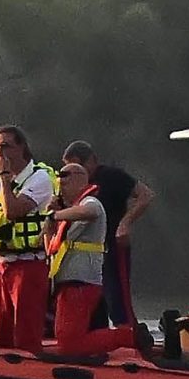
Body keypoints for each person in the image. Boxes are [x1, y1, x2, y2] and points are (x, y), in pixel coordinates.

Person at [60, 140, 154, 327]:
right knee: (94, 303)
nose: (73, 171)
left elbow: (146, 195)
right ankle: (99, 340)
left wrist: (125, 223)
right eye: (68, 167)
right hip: (88, 256)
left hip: (112, 247)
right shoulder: (75, 184)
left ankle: (130, 337)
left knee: (117, 300)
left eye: (78, 165)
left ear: (92, 161)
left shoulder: (110, 176)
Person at [0, 126, 56, 354]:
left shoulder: (39, 178)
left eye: (6, 146)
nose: (0, 153)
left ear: (22, 147)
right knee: (2, 332)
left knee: (26, 331)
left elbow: (13, 211)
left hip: (28, 263)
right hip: (1, 265)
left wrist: (4, 177)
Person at [41, 160, 121, 357]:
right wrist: (49, 222)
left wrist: (55, 216)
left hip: (81, 282)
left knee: (69, 344)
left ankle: (128, 336)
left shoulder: (90, 202)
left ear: (80, 180)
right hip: (66, 282)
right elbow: (50, 248)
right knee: (65, 335)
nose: (61, 187)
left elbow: (90, 212)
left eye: (65, 182)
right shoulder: (66, 215)